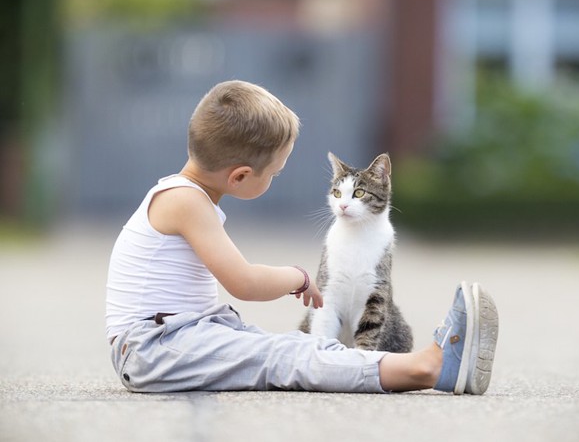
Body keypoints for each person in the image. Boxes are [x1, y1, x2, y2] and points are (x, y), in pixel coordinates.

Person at [106, 80, 499, 395]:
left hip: (174, 338)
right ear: (240, 176)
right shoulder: (185, 202)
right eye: (273, 174)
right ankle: (428, 367)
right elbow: (244, 282)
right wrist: (298, 276)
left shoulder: (184, 197)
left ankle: (392, 364)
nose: (274, 178)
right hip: (152, 349)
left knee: (290, 349)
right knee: (286, 356)